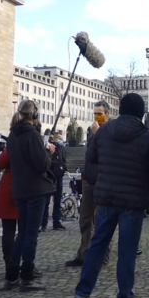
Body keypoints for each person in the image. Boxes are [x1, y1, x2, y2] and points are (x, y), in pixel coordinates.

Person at [73, 93, 149, 298]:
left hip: (106, 198)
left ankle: (82, 294)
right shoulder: (147, 137)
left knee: (97, 245)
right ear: (141, 113)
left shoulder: (103, 132)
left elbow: (91, 161)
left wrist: (100, 181)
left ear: (121, 110)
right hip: (132, 201)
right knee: (127, 250)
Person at [5, 101, 55, 291]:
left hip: (19, 189)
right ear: (34, 116)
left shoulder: (13, 135)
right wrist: (47, 152)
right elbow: (42, 165)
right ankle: (27, 276)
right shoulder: (32, 135)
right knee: (31, 234)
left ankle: (11, 274)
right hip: (35, 189)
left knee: (23, 232)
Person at [65, 100, 113, 268]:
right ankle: (83, 254)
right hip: (89, 179)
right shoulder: (91, 130)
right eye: (95, 113)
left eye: (100, 113)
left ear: (107, 114)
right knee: (85, 220)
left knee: (103, 220)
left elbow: (103, 152)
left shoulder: (109, 130)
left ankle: (103, 255)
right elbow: (89, 155)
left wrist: (98, 133)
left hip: (104, 180)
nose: (97, 117)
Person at [42, 132, 67, 232]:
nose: (62, 141)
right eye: (60, 139)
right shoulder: (51, 148)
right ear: (55, 139)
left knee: (57, 201)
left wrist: (64, 168)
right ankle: (43, 223)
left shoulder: (61, 149)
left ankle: (56, 222)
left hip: (59, 178)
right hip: (50, 177)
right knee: (46, 202)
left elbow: (63, 160)